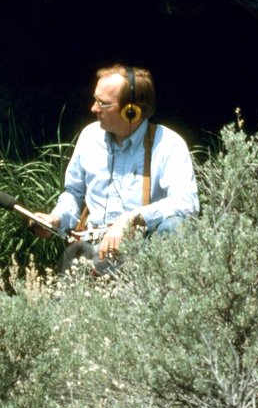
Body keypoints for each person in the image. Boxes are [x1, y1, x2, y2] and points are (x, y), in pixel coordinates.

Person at [32, 64, 198, 274]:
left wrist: (130, 219)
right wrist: (55, 219)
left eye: (103, 103)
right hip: (89, 250)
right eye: (95, 99)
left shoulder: (168, 144)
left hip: (143, 249)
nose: (94, 108)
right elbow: (73, 194)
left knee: (177, 226)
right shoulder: (89, 137)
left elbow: (187, 202)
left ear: (131, 111)